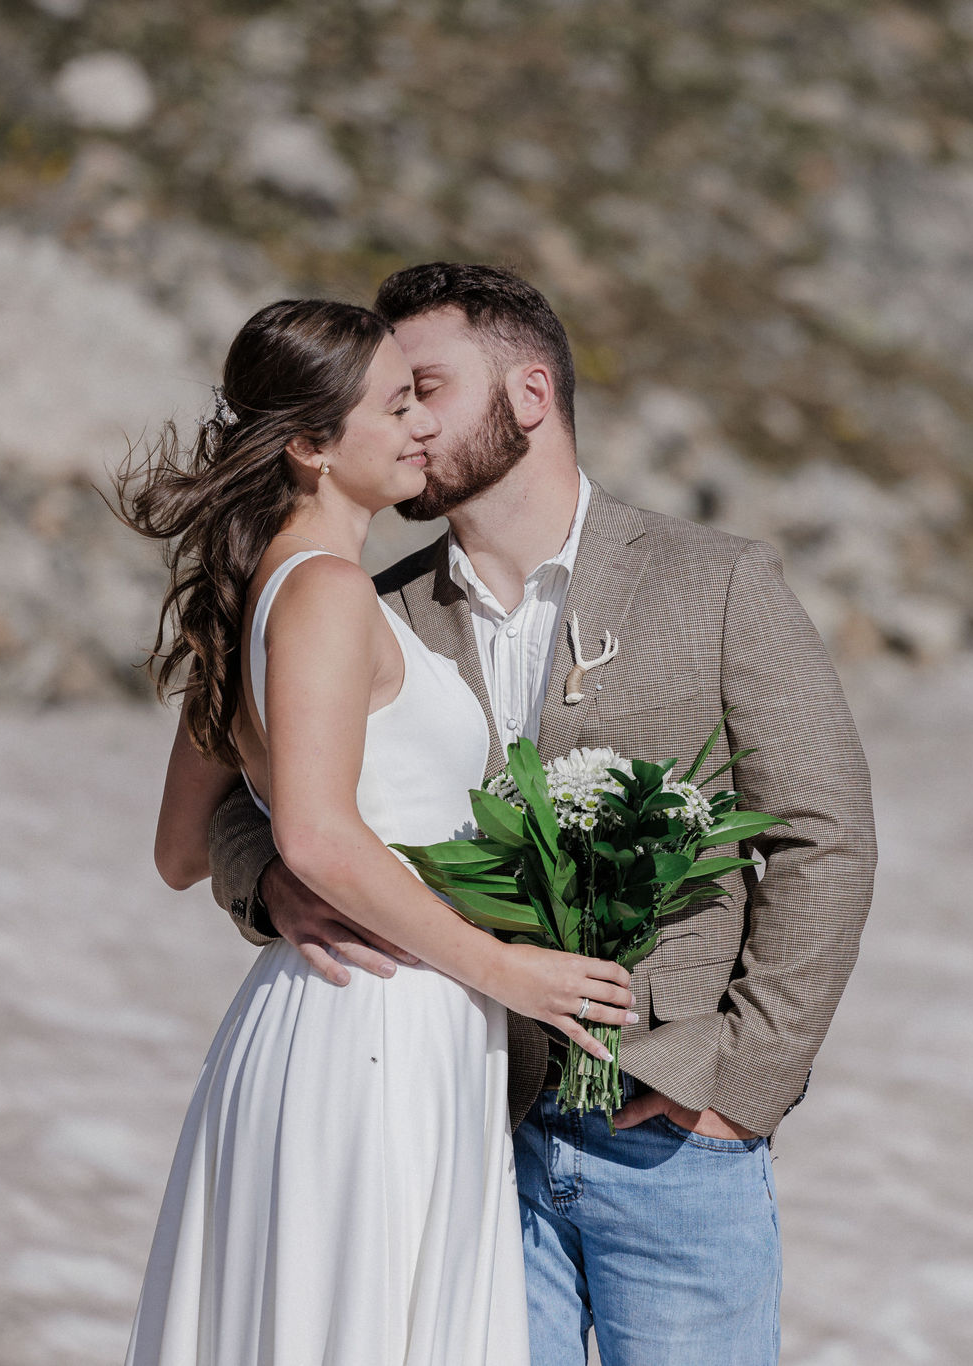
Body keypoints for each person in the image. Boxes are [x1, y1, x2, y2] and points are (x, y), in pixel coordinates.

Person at [203, 264, 878, 1366]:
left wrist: (740, 1084)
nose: (411, 420)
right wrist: (274, 887)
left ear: (528, 395)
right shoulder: (377, 603)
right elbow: (252, 789)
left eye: (427, 385)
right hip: (470, 1126)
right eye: (395, 398)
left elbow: (824, 835)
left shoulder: (715, 581)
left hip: (674, 1142)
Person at [112, 297, 634, 1365]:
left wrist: (278, 879)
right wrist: (509, 972)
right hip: (376, 1034)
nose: (419, 430)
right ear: (310, 446)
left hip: (358, 1017)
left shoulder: (259, 590)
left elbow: (182, 847)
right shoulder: (328, 594)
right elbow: (316, 833)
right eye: (394, 407)